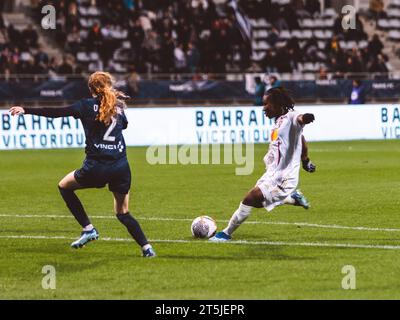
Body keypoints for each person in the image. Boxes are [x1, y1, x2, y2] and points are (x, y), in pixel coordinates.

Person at [9, 71, 156, 257]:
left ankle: (88, 229)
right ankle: (147, 248)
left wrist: (26, 110)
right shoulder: (118, 107)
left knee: (64, 186)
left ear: (91, 89)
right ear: (109, 86)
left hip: (96, 168)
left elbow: (57, 113)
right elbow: (124, 125)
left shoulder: (85, 106)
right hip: (121, 167)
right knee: (123, 213)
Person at [210, 87, 315, 241]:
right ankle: (293, 198)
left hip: (284, 177)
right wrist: (305, 160)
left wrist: (306, 117)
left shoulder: (292, 117)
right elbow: (301, 139)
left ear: (278, 104)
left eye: (267, 104)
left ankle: (225, 233)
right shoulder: (279, 121)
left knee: (250, 198)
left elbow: (300, 119)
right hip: (272, 174)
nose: (263, 108)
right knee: (258, 203)